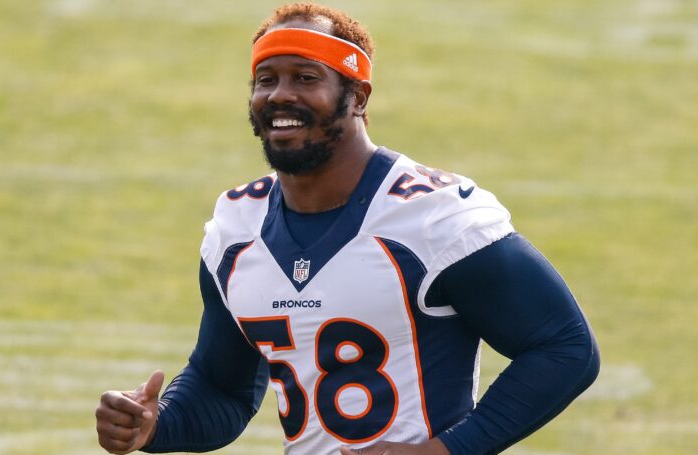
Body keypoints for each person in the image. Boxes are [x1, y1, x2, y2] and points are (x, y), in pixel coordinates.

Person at [95, 4, 600, 455]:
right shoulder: (235, 227)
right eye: (265, 79)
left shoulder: (434, 216)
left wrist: (447, 450)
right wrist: (154, 426)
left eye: (306, 78)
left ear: (356, 95)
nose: (280, 95)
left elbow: (564, 347)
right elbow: (222, 388)